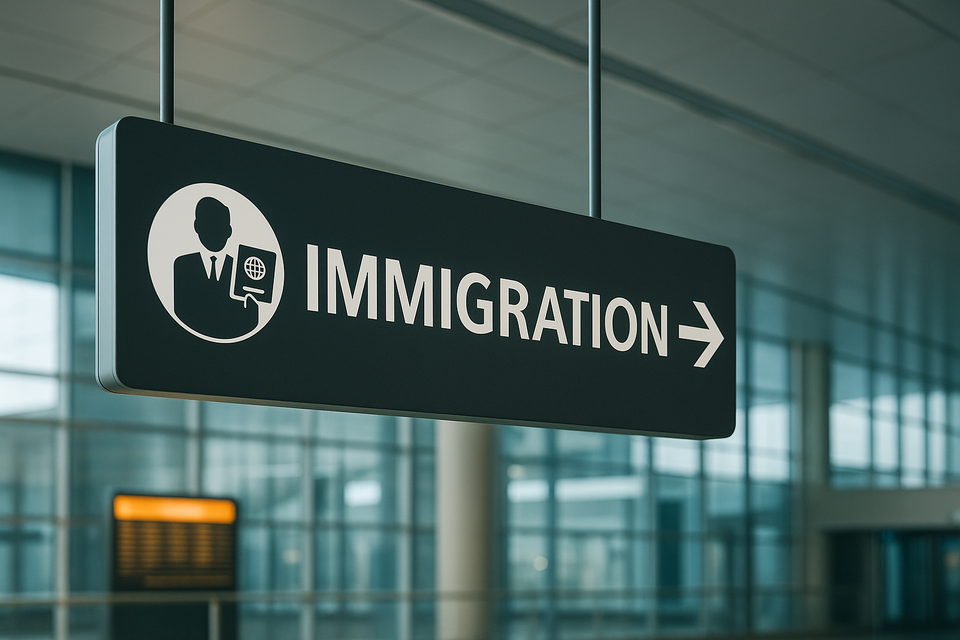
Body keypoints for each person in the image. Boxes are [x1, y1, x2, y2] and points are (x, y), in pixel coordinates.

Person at [174, 197, 258, 339]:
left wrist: (253, 312)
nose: (215, 231)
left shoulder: (241, 270)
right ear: (197, 226)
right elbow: (181, 312)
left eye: (220, 226)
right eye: (209, 224)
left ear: (229, 231)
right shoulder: (183, 265)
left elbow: (249, 320)